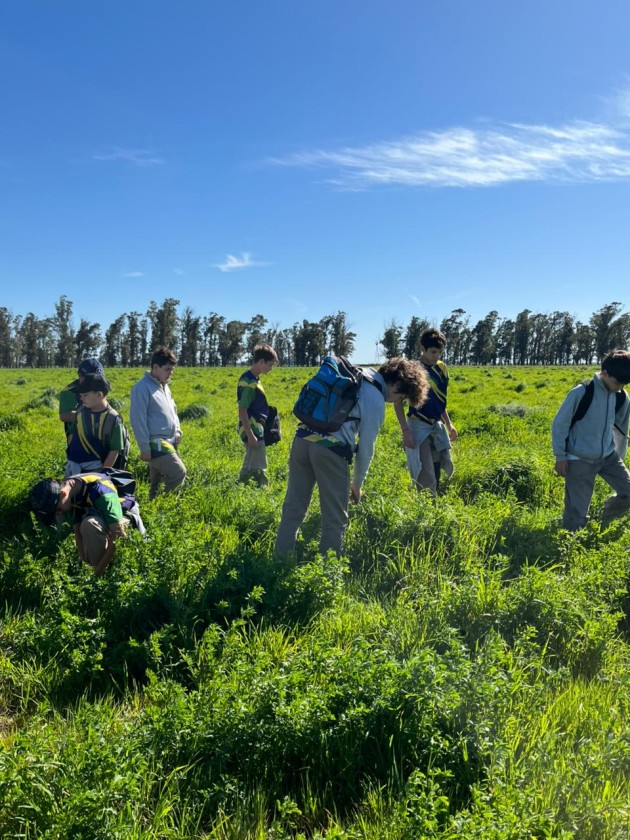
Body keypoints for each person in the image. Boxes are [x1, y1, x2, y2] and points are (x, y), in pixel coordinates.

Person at [275, 357, 429, 557]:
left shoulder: (357, 373)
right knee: (335, 517)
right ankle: (328, 574)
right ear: (397, 384)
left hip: (302, 440)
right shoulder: (375, 398)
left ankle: (279, 559)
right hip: (330, 450)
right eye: (401, 397)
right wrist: (357, 484)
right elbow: (366, 449)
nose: (396, 402)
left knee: (294, 506)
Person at [552, 349, 630, 531]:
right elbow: (559, 425)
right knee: (576, 515)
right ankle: (569, 543)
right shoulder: (582, 392)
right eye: (618, 382)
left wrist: (619, 455)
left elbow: (621, 429)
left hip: (608, 456)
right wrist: (560, 456)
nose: (621, 386)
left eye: (625, 382)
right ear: (605, 373)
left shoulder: (621, 396)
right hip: (580, 459)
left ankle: (605, 516)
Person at [29, 472, 139, 575]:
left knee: (89, 525)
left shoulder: (101, 492)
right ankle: (96, 567)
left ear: (63, 494)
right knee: (86, 526)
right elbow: (77, 531)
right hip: (98, 515)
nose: (58, 514)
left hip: (124, 515)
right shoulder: (69, 492)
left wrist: (97, 572)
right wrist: (84, 564)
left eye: (57, 509)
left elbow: (119, 534)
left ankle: (106, 574)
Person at [395, 328, 457, 494]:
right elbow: (397, 402)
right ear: (423, 348)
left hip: (436, 424)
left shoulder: (442, 369)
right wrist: (405, 430)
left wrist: (449, 424)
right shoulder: (412, 370)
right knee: (425, 471)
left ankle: (432, 508)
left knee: (437, 466)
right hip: (418, 425)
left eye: (440, 352)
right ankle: (427, 514)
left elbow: (440, 401)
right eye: (433, 352)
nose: (436, 356)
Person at [129, 346, 186, 500]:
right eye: (167, 369)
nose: (170, 373)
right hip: (156, 443)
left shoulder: (164, 387)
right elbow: (137, 419)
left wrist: (178, 431)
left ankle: (154, 510)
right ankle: (168, 507)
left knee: (155, 484)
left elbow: (173, 411)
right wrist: (144, 447)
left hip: (169, 441)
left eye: (172, 370)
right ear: (155, 367)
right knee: (178, 472)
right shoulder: (141, 388)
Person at [64, 373, 128, 478]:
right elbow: (72, 433)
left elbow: (114, 450)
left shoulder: (113, 419)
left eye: (85, 395)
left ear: (99, 395)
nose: (82, 399)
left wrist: (101, 475)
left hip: (95, 471)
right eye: (81, 396)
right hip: (73, 466)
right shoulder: (80, 412)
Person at [237, 344, 279, 486]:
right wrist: (250, 434)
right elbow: (242, 410)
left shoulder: (254, 379)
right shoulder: (249, 382)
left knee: (250, 461)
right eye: (270, 365)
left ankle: (241, 484)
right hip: (251, 428)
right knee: (260, 463)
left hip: (254, 428)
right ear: (261, 362)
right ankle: (263, 490)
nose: (271, 369)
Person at [58, 358, 105, 443]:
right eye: (91, 379)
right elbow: (64, 416)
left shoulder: (100, 388)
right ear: (80, 376)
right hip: (77, 436)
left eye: (98, 379)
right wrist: (87, 415)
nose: (95, 382)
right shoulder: (69, 392)